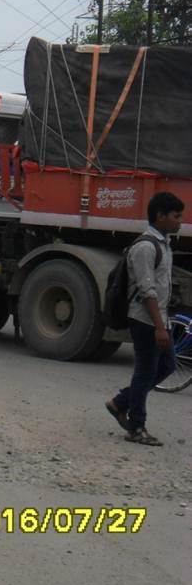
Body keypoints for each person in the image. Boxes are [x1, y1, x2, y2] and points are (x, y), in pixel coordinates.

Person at [105, 191, 182, 446]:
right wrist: (159, 328)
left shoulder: (164, 244)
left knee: (167, 365)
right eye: (175, 216)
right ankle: (136, 427)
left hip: (159, 318)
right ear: (160, 217)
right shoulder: (146, 247)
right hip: (145, 319)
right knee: (145, 371)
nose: (179, 221)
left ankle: (121, 402)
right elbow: (147, 291)